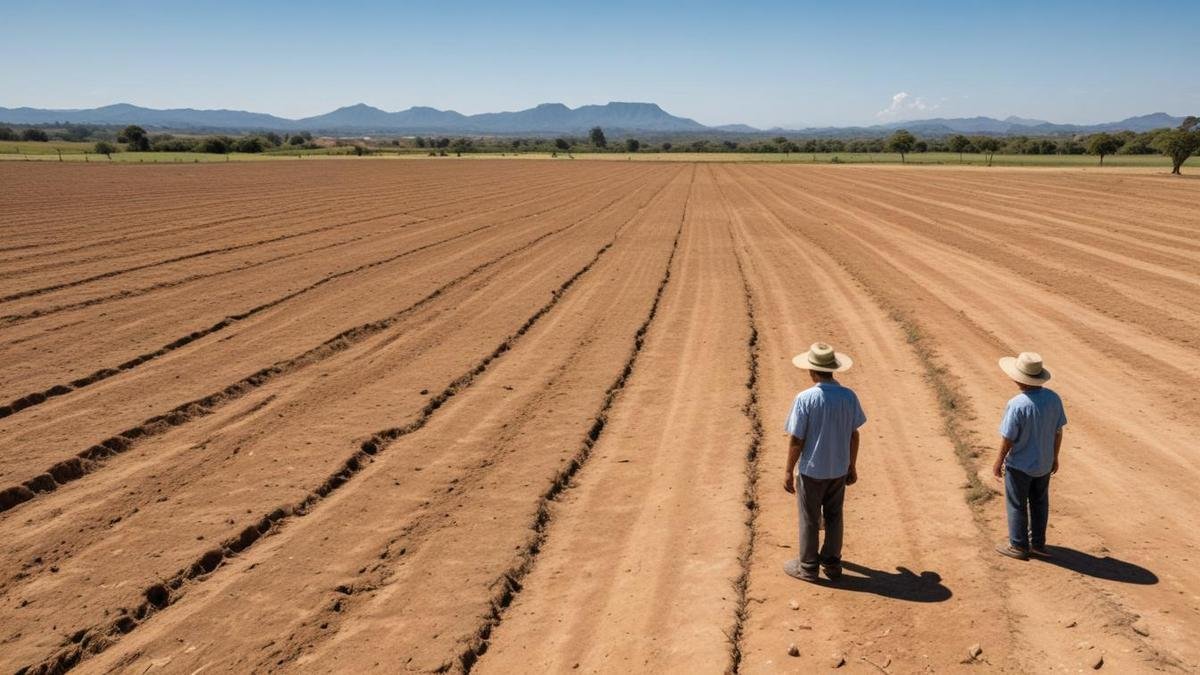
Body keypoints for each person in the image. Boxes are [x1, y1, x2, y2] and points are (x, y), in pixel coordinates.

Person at [783, 342, 867, 582]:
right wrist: (852, 465)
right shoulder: (849, 396)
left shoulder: (805, 399)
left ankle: (808, 567)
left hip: (812, 470)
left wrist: (788, 470)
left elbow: (797, 438)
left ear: (812, 371)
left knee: (809, 518)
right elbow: (854, 433)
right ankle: (832, 563)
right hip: (838, 469)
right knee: (834, 516)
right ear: (833, 369)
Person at [993, 352, 1067, 560]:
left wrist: (998, 461)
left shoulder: (1017, 404)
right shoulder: (1053, 398)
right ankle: (1038, 544)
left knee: (1017, 504)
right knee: (1039, 503)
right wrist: (1055, 457)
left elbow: (1008, 438)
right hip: (1044, 463)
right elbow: (1058, 431)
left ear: (1019, 378)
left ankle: (1018, 545)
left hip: (1020, 465)